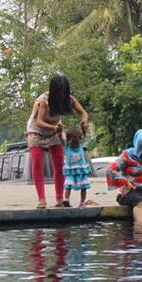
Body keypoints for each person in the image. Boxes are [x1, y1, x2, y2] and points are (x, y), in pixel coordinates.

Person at [26, 75, 88, 208]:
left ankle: (60, 198)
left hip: (55, 131)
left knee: (60, 163)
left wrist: (84, 122)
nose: (62, 95)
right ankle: (42, 199)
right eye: (59, 92)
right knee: (37, 162)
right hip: (36, 130)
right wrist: (54, 127)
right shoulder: (44, 101)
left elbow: (83, 113)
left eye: (64, 92)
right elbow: (40, 122)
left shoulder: (69, 99)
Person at [63, 128, 91, 209]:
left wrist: (84, 129)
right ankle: (67, 200)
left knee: (84, 186)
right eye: (72, 143)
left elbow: (84, 134)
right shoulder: (66, 146)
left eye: (77, 143)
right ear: (67, 141)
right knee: (68, 185)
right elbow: (60, 138)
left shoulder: (81, 144)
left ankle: (82, 202)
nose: (75, 145)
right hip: (71, 170)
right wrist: (59, 131)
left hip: (81, 170)